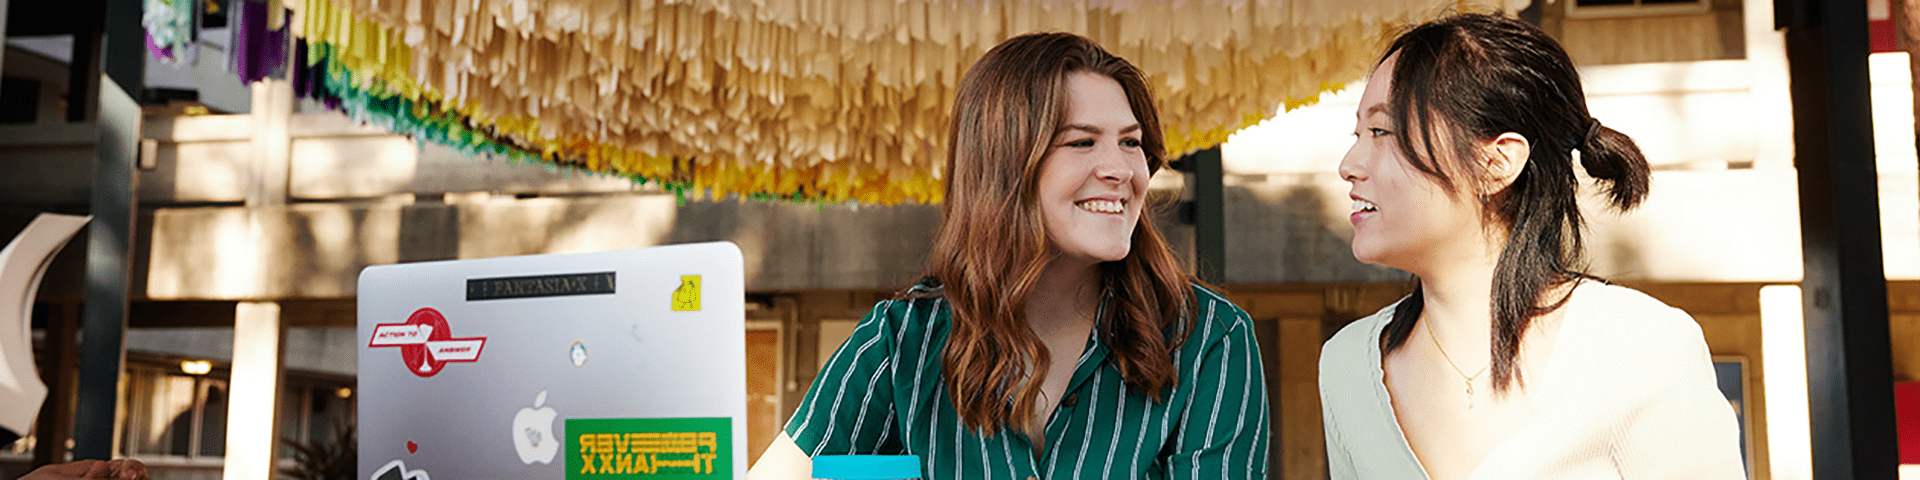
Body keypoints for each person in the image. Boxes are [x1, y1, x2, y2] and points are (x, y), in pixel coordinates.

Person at [748, 32, 1269, 480]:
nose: (1121, 170)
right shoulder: (901, 341)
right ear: (1004, 165)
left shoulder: (1209, 339)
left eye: (1131, 143)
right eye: (1082, 143)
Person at [1317, 13, 1744, 480]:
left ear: (1497, 161)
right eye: (1357, 134)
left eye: (1382, 132)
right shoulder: (1347, 367)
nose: (1350, 164)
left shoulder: (1639, 346)